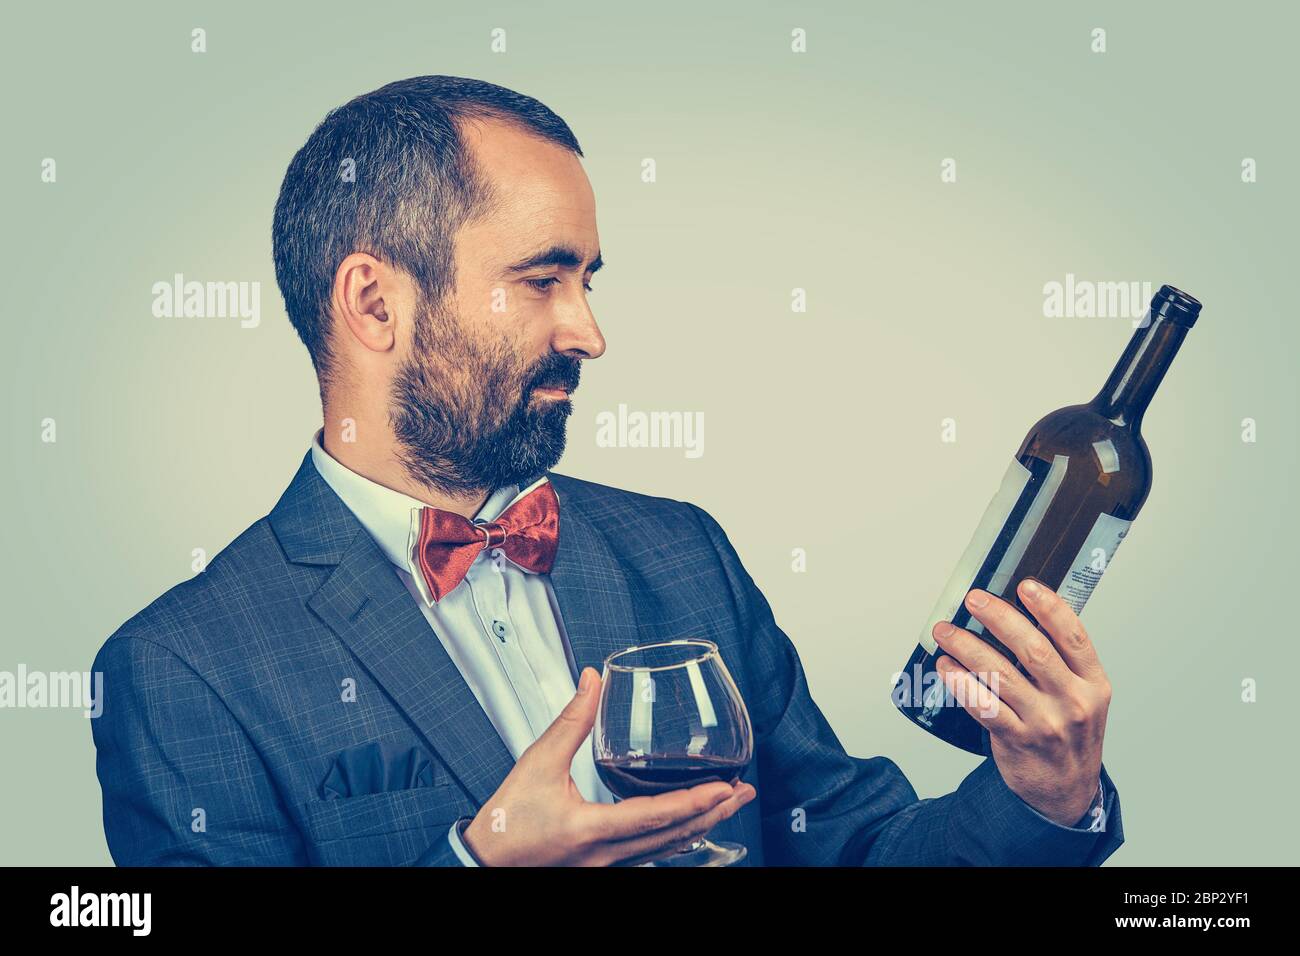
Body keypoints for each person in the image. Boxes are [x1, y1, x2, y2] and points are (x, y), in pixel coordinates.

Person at [91, 75, 1122, 866]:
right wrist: (475, 861)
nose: (587, 331)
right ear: (373, 304)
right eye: (541, 279)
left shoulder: (680, 550)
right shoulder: (179, 668)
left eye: (585, 280)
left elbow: (849, 843)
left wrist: (1042, 792)